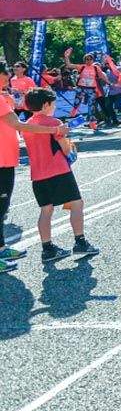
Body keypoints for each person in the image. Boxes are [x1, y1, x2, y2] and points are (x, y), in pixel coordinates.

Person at [0, 68, 72, 271]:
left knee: (3, 209)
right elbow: (20, 126)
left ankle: (2, 247)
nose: (7, 84)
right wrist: (54, 130)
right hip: (1, 161)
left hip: (6, 160)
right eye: (4, 80)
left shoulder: (2, 98)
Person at [21, 88, 99, 264]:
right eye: (53, 103)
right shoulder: (53, 122)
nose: (54, 106)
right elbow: (64, 147)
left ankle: (47, 248)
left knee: (46, 210)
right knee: (77, 204)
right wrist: (71, 149)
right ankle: (80, 242)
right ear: (46, 104)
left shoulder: (26, 126)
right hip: (58, 171)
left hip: (37, 174)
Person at [63, 49, 112, 126]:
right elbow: (69, 65)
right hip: (81, 87)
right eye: (86, 59)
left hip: (91, 89)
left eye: (90, 59)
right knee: (77, 101)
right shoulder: (82, 67)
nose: (88, 60)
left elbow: (102, 76)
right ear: (84, 60)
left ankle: (92, 123)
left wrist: (109, 83)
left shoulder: (96, 68)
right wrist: (66, 57)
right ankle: (73, 113)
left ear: (93, 60)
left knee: (91, 106)